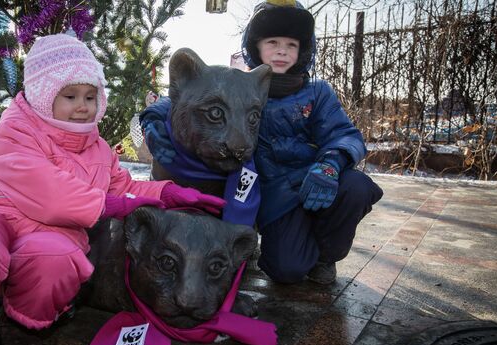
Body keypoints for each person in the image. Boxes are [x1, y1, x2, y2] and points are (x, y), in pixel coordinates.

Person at [0, 34, 225, 345]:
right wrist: (108, 206)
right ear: (45, 97)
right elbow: (45, 188)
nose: (82, 106)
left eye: (90, 96)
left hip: (54, 232)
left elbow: (120, 187)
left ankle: (20, 333)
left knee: (56, 259)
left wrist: (167, 192)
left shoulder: (98, 148)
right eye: (70, 96)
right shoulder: (17, 128)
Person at [140, 0, 382, 286]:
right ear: (255, 46)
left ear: (303, 50)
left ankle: (325, 257)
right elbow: (186, 96)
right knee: (286, 271)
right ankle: (295, 246)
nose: (282, 50)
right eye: (273, 42)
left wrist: (330, 164)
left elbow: (345, 134)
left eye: (291, 44)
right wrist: (153, 117)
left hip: (317, 182)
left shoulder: (317, 93)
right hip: (278, 198)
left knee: (355, 187)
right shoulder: (244, 85)